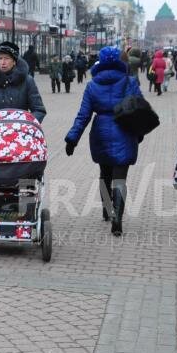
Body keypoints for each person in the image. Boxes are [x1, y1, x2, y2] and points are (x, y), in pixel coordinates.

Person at [64, 46, 142, 236]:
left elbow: (83, 116)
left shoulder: (92, 85)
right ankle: (118, 218)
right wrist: (139, 133)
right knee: (120, 178)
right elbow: (140, 109)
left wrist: (72, 139)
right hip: (124, 130)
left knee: (104, 174)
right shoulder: (129, 81)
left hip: (101, 132)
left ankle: (107, 209)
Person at [0, 40, 46, 127]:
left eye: (7, 58)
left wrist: (26, 125)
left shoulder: (27, 81)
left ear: (14, 61)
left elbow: (38, 110)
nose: (3, 62)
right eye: (0, 58)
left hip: (21, 133)